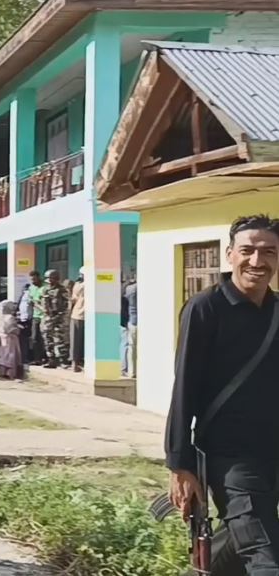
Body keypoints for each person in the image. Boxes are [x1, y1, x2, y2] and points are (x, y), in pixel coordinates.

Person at [166, 215, 279, 572]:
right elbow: (184, 388)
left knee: (248, 536)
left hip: (273, 451)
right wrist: (179, 463)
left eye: (269, 252)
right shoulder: (205, 309)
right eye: (247, 251)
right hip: (230, 457)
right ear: (229, 255)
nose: (257, 262)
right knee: (264, 555)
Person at [41, 269, 69, 369]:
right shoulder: (45, 289)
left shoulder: (62, 290)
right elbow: (43, 303)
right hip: (48, 318)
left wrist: (59, 316)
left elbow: (66, 305)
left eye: (51, 279)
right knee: (47, 339)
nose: (49, 281)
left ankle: (63, 361)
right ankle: (51, 360)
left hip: (59, 318)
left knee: (60, 340)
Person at [0, 299, 23, 380]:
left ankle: (2, 372)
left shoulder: (1, 317)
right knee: (10, 355)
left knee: (3, 355)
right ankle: (10, 373)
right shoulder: (10, 317)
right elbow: (11, 329)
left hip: (2, 338)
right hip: (11, 338)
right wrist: (18, 329)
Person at [69, 268, 86, 373]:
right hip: (80, 314)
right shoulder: (82, 285)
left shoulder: (78, 285)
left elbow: (73, 300)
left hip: (78, 314)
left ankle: (76, 363)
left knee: (77, 341)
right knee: (77, 341)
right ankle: (75, 363)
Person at [27, 271, 46, 364]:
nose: (33, 281)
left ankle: (46, 358)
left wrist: (36, 303)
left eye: (34, 279)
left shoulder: (45, 287)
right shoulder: (31, 288)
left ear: (38, 277)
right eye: (31, 280)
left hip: (44, 316)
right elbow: (30, 299)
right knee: (34, 338)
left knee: (45, 338)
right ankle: (36, 358)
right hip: (35, 316)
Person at [123, 277, 138, 378]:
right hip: (147, 322)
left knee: (132, 347)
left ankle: (131, 371)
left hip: (133, 321)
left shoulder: (130, 289)